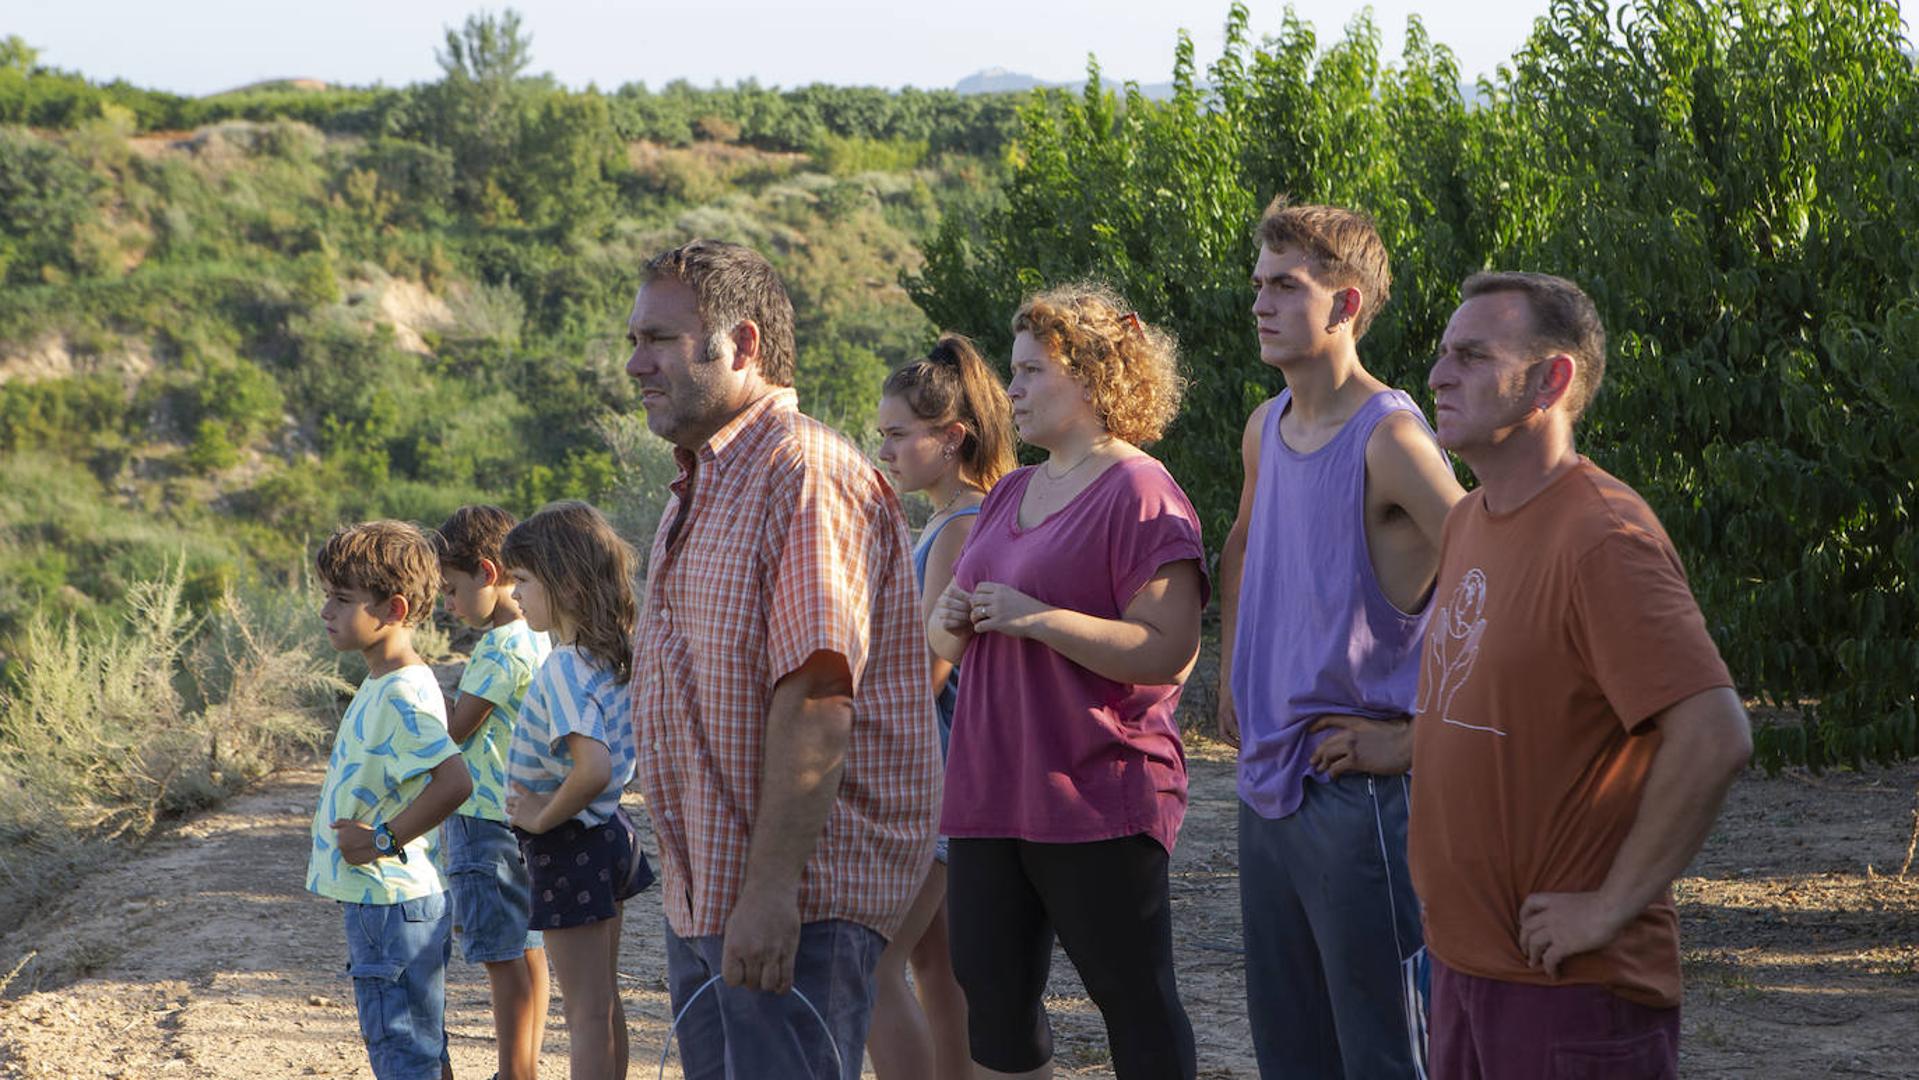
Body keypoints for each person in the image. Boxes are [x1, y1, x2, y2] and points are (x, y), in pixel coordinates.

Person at [1411, 272, 1751, 1078]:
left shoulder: (1602, 537)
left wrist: (1608, 906)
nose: (1436, 375)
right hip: (1463, 971)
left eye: (1469, 355)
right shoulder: (1466, 519)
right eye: (1440, 353)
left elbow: (1713, 734)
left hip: (1568, 995)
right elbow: (1491, 709)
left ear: (1549, 380)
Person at [624, 239, 941, 1079]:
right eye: (636, 340)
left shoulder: (803, 472)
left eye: (658, 339)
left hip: (794, 903)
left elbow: (817, 696)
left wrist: (769, 895)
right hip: (711, 895)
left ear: (745, 343)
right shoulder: (702, 482)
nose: (634, 363)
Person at [928, 284, 1206, 1080]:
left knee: (1135, 1004)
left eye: (1027, 372)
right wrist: (956, 613)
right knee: (993, 998)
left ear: (1088, 377)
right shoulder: (1012, 489)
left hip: (1094, 793)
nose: (1007, 390)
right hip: (989, 791)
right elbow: (947, 638)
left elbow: (1166, 652)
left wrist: (1035, 617)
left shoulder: (1141, 490)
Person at [1214, 200, 1464, 1078]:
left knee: (1385, 1054)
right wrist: (1234, 675)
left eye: (1285, 286)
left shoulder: (1391, 438)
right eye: (1257, 284)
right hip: (1266, 783)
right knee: (1291, 1054)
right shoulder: (1262, 425)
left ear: (1346, 303)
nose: (1260, 304)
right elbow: (1243, 544)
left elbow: (1502, 583)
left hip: (1357, 795)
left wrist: (1417, 738)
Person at [866, 334, 1015, 1080]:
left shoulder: (962, 524)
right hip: (948, 777)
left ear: (950, 436)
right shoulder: (949, 518)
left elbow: (928, 667)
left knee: (869, 969)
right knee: (937, 967)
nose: (884, 450)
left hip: (933, 781)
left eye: (897, 434)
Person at [308, 519, 472, 1080]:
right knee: (420, 1047)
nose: (325, 611)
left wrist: (382, 840)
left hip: (390, 904)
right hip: (392, 904)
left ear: (394, 609)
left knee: (402, 1052)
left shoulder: (402, 690)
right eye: (326, 596)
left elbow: (456, 781)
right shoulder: (387, 680)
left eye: (342, 599)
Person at [499, 500, 652, 1080]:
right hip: (606, 837)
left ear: (564, 584)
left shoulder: (565, 666)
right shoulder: (607, 654)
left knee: (584, 1014)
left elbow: (591, 768)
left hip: (571, 842)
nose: (515, 594)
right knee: (603, 1003)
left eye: (524, 580)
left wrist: (540, 818)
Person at [431, 504, 552, 1080]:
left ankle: (513, 1071)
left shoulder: (501, 646)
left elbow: (457, 729)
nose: (449, 605)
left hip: (484, 818)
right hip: (525, 814)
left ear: (486, 571)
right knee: (529, 951)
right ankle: (522, 1067)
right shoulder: (539, 632)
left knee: (502, 959)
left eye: (452, 590)